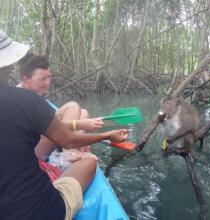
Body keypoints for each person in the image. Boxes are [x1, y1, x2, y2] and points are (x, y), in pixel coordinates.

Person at [0, 29, 128, 220]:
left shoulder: (28, 100)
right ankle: (73, 160)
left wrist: (80, 122)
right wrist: (107, 135)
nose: (47, 83)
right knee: (89, 162)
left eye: (49, 78)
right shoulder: (25, 99)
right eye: (42, 79)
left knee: (80, 110)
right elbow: (68, 140)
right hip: (42, 212)